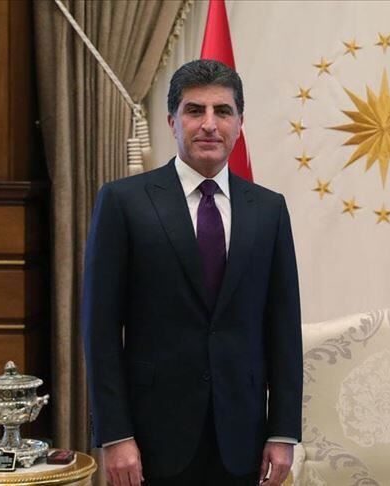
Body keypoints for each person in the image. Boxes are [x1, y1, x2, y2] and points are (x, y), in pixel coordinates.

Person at [82, 59, 302, 486]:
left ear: (240, 124)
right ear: (172, 121)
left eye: (223, 111)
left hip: (243, 437)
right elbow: (101, 330)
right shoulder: (123, 202)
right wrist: (115, 434)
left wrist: (283, 431)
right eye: (194, 110)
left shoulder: (269, 209)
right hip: (150, 439)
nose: (209, 124)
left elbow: (283, 327)